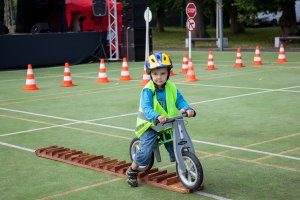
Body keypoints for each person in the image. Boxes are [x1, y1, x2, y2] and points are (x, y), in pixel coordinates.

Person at [126, 52, 196, 187]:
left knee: (175, 145)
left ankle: (181, 164)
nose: (159, 77)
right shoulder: (148, 90)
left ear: (168, 73)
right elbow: (146, 107)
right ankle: (132, 170)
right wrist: (156, 116)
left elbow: (180, 101)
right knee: (146, 152)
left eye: (163, 73)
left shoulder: (171, 87)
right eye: (155, 74)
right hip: (149, 125)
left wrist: (187, 109)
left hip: (167, 124)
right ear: (150, 74)